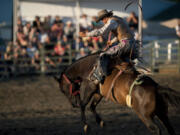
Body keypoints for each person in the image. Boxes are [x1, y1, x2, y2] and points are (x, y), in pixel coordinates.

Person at [80, 9, 139, 84]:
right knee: (124, 61)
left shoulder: (111, 22)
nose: (102, 22)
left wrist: (86, 34)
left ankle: (99, 76)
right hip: (132, 45)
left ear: (104, 18)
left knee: (103, 55)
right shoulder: (119, 19)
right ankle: (132, 73)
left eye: (102, 20)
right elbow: (124, 33)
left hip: (125, 44)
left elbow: (100, 32)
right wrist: (112, 41)